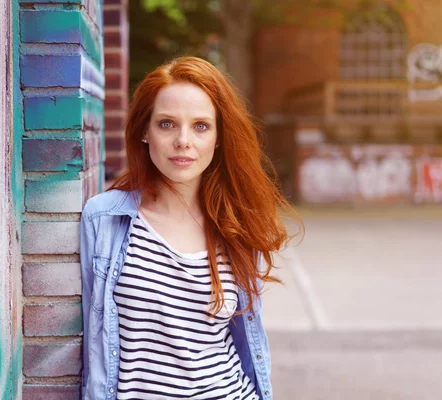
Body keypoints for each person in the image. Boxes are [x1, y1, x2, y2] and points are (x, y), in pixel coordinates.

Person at [80, 56, 299, 400]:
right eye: (167, 124)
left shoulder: (236, 227)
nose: (184, 140)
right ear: (144, 132)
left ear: (219, 137)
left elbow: (247, 340)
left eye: (200, 126)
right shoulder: (105, 221)